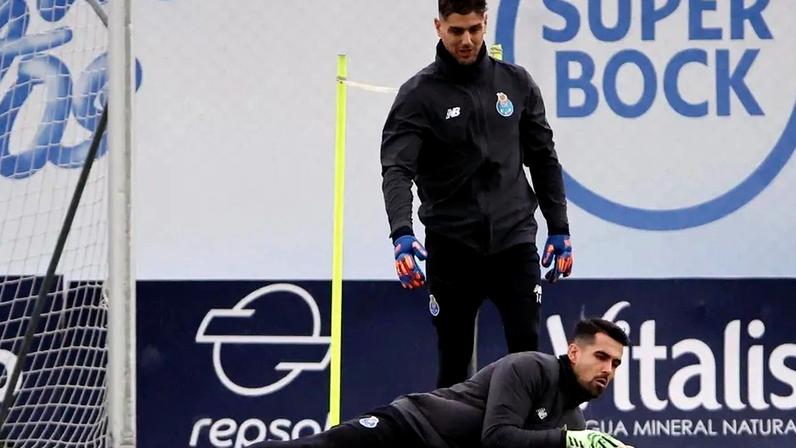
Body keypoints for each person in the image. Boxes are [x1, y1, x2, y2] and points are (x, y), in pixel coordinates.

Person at [381, 0, 573, 388]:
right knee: (453, 365)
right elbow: (397, 169)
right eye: (456, 31)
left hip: (514, 241)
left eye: (474, 29)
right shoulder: (418, 95)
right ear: (438, 27)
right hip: (452, 247)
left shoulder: (516, 83)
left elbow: (544, 159)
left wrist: (559, 228)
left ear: (485, 23)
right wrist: (402, 233)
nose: (466, 40)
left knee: (526, 357)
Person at [250, 318, 632, 448]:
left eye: (615, 363)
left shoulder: (574, 423)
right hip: (406, 429)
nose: (608, 369)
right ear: (573, 352)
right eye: (601, 356)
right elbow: (497, 438)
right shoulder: (529, 368)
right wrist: (569, 442)